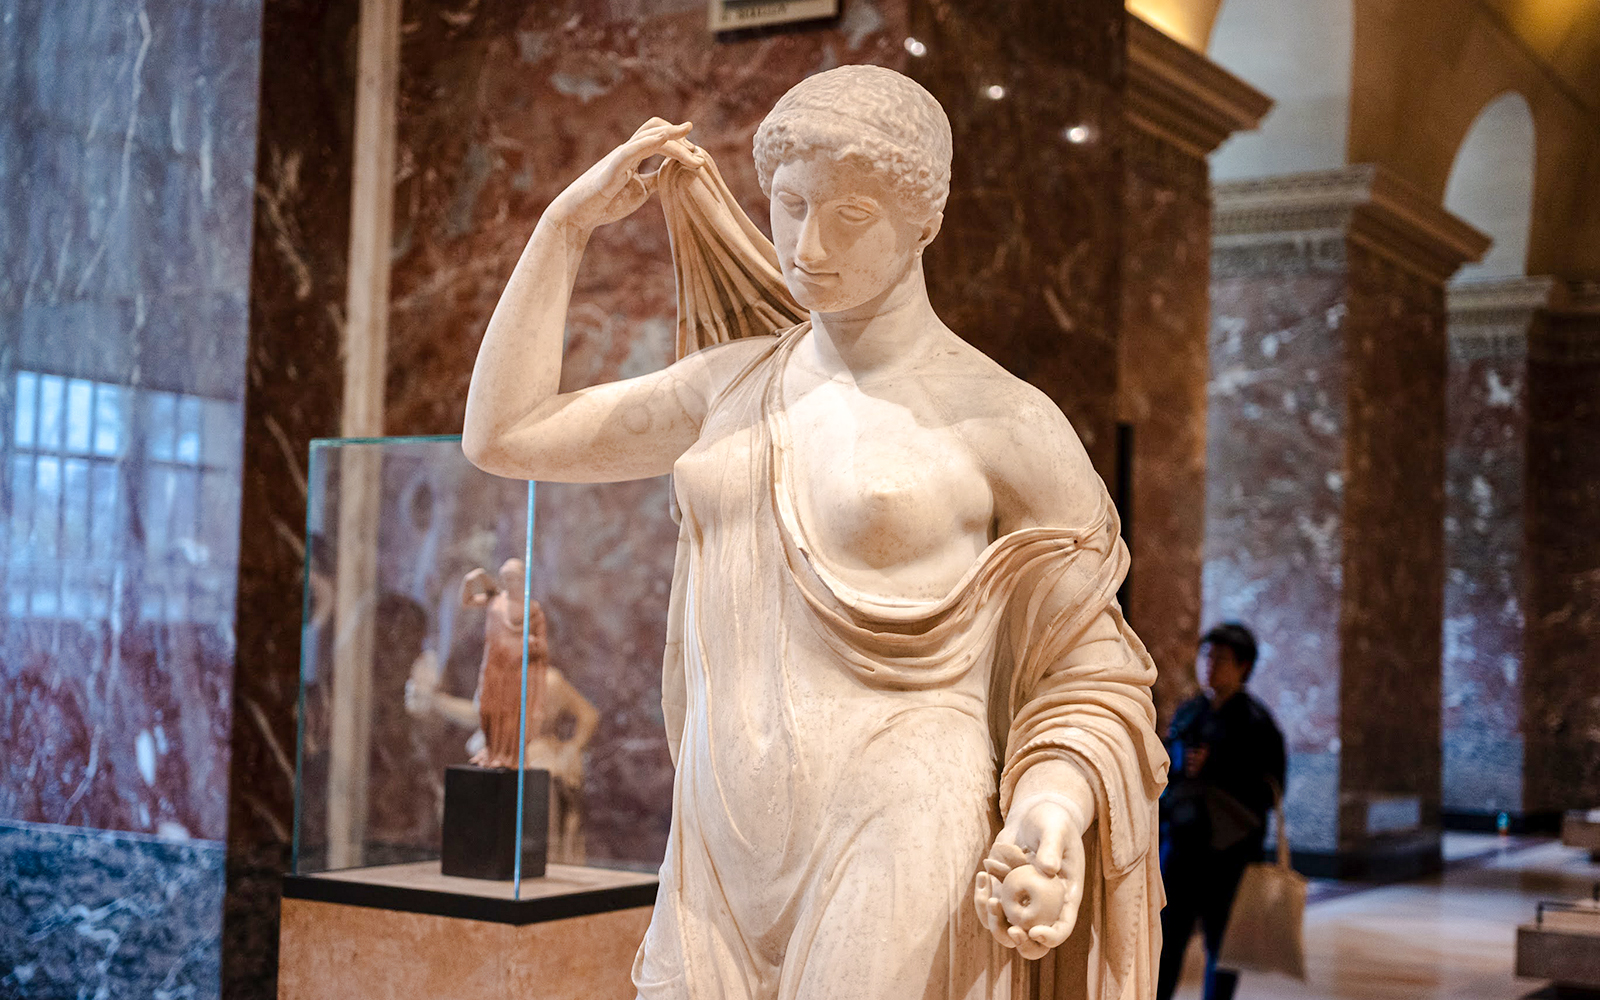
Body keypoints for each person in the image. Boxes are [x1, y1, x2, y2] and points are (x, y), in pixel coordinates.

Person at [464, 65, 1167, 1000]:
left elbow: (1091, 668)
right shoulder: (731, 385)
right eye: (790, 205)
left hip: (899, 818)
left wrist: (1051, 803)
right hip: (718, 831)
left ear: (927, 220)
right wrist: (566, 227)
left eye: (853, 215)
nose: (808, 244)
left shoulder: (1006, 421)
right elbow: (504, 435)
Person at [1155, 623, 1286, 1000]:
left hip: (1230, 854)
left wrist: (1219, 766)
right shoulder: (1190, 710)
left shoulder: (1257, 723)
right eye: (1207, 656)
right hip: (1180, 846)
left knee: (1223, 945)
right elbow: (1164, 767)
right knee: (1168, 937)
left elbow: (1271, 789)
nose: (1211, 665)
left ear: (1244, 666)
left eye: (1221, 659)